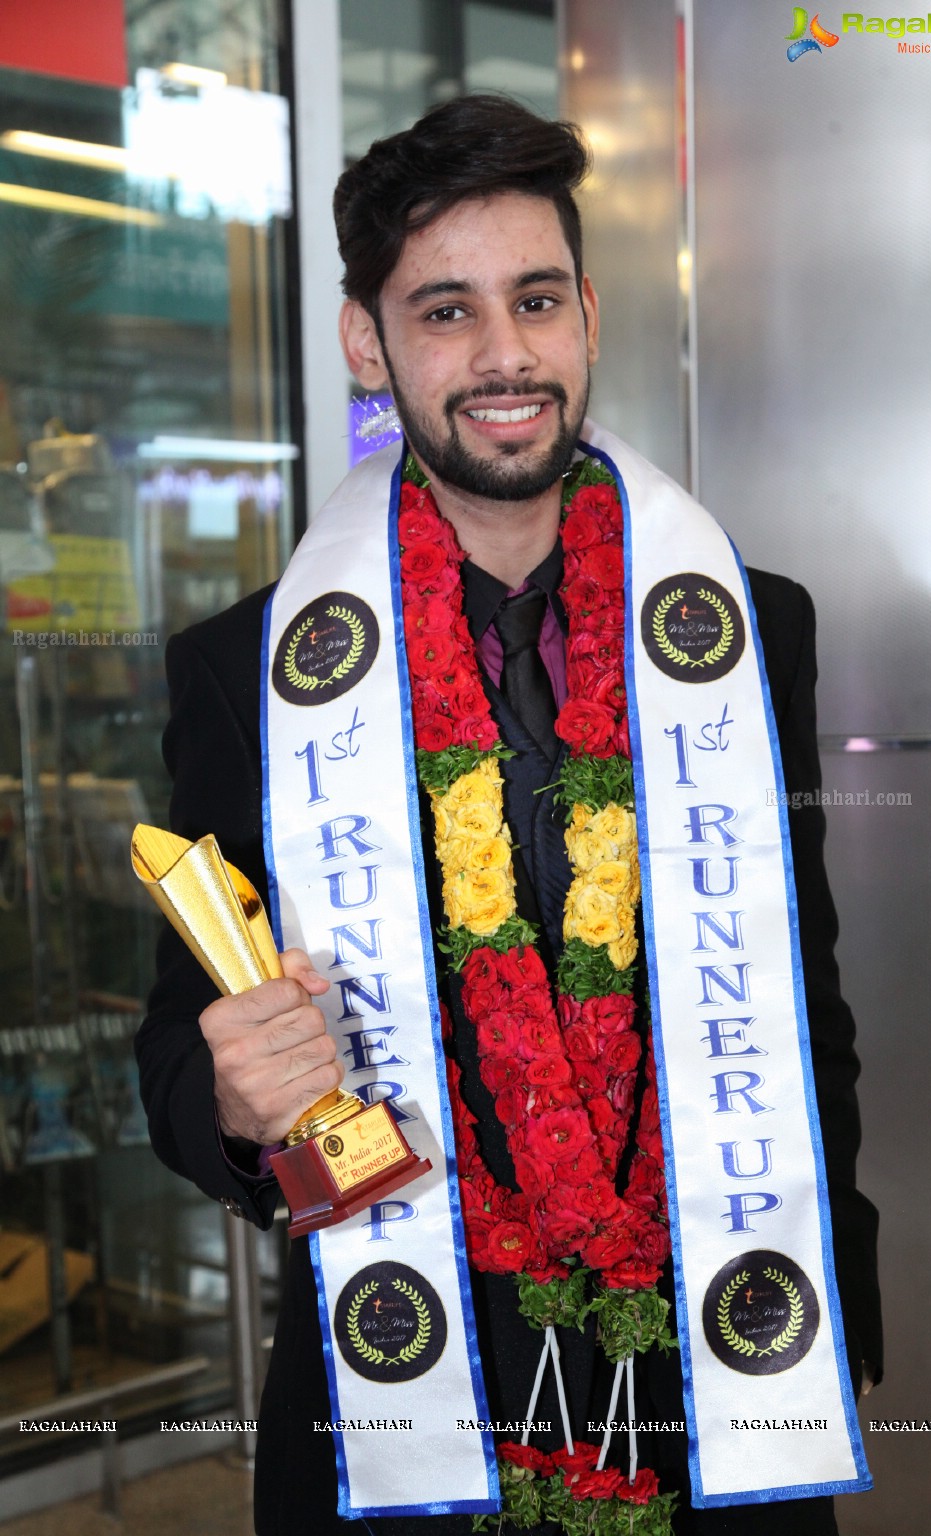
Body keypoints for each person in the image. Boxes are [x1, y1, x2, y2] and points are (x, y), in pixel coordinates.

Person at [136, 94, 881, 1536]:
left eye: (536, 300)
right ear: (367, 341)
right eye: (444, 312)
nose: (504, 357)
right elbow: (179, 1049)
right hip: (412, 1380)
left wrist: (829, 1352)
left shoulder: (742, 629)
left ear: (589, 313)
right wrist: (233, 1108)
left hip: (718, 1364)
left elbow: (810, 1019)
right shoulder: (251, 674)